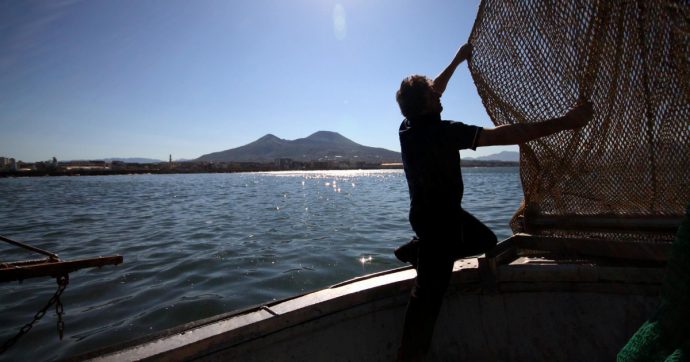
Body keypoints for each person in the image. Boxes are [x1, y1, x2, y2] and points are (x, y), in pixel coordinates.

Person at [394, 42, 593, 361]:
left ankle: (419, 249)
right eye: (435, 94)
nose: (440, 94)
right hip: (440, 229)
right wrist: (565, 122)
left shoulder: (408, 127)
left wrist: (458, 60)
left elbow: (431, 90)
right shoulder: (445, 132)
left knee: (485, 239)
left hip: (430, 217)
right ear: (428, 104)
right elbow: (504, 135)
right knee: (426, 302)